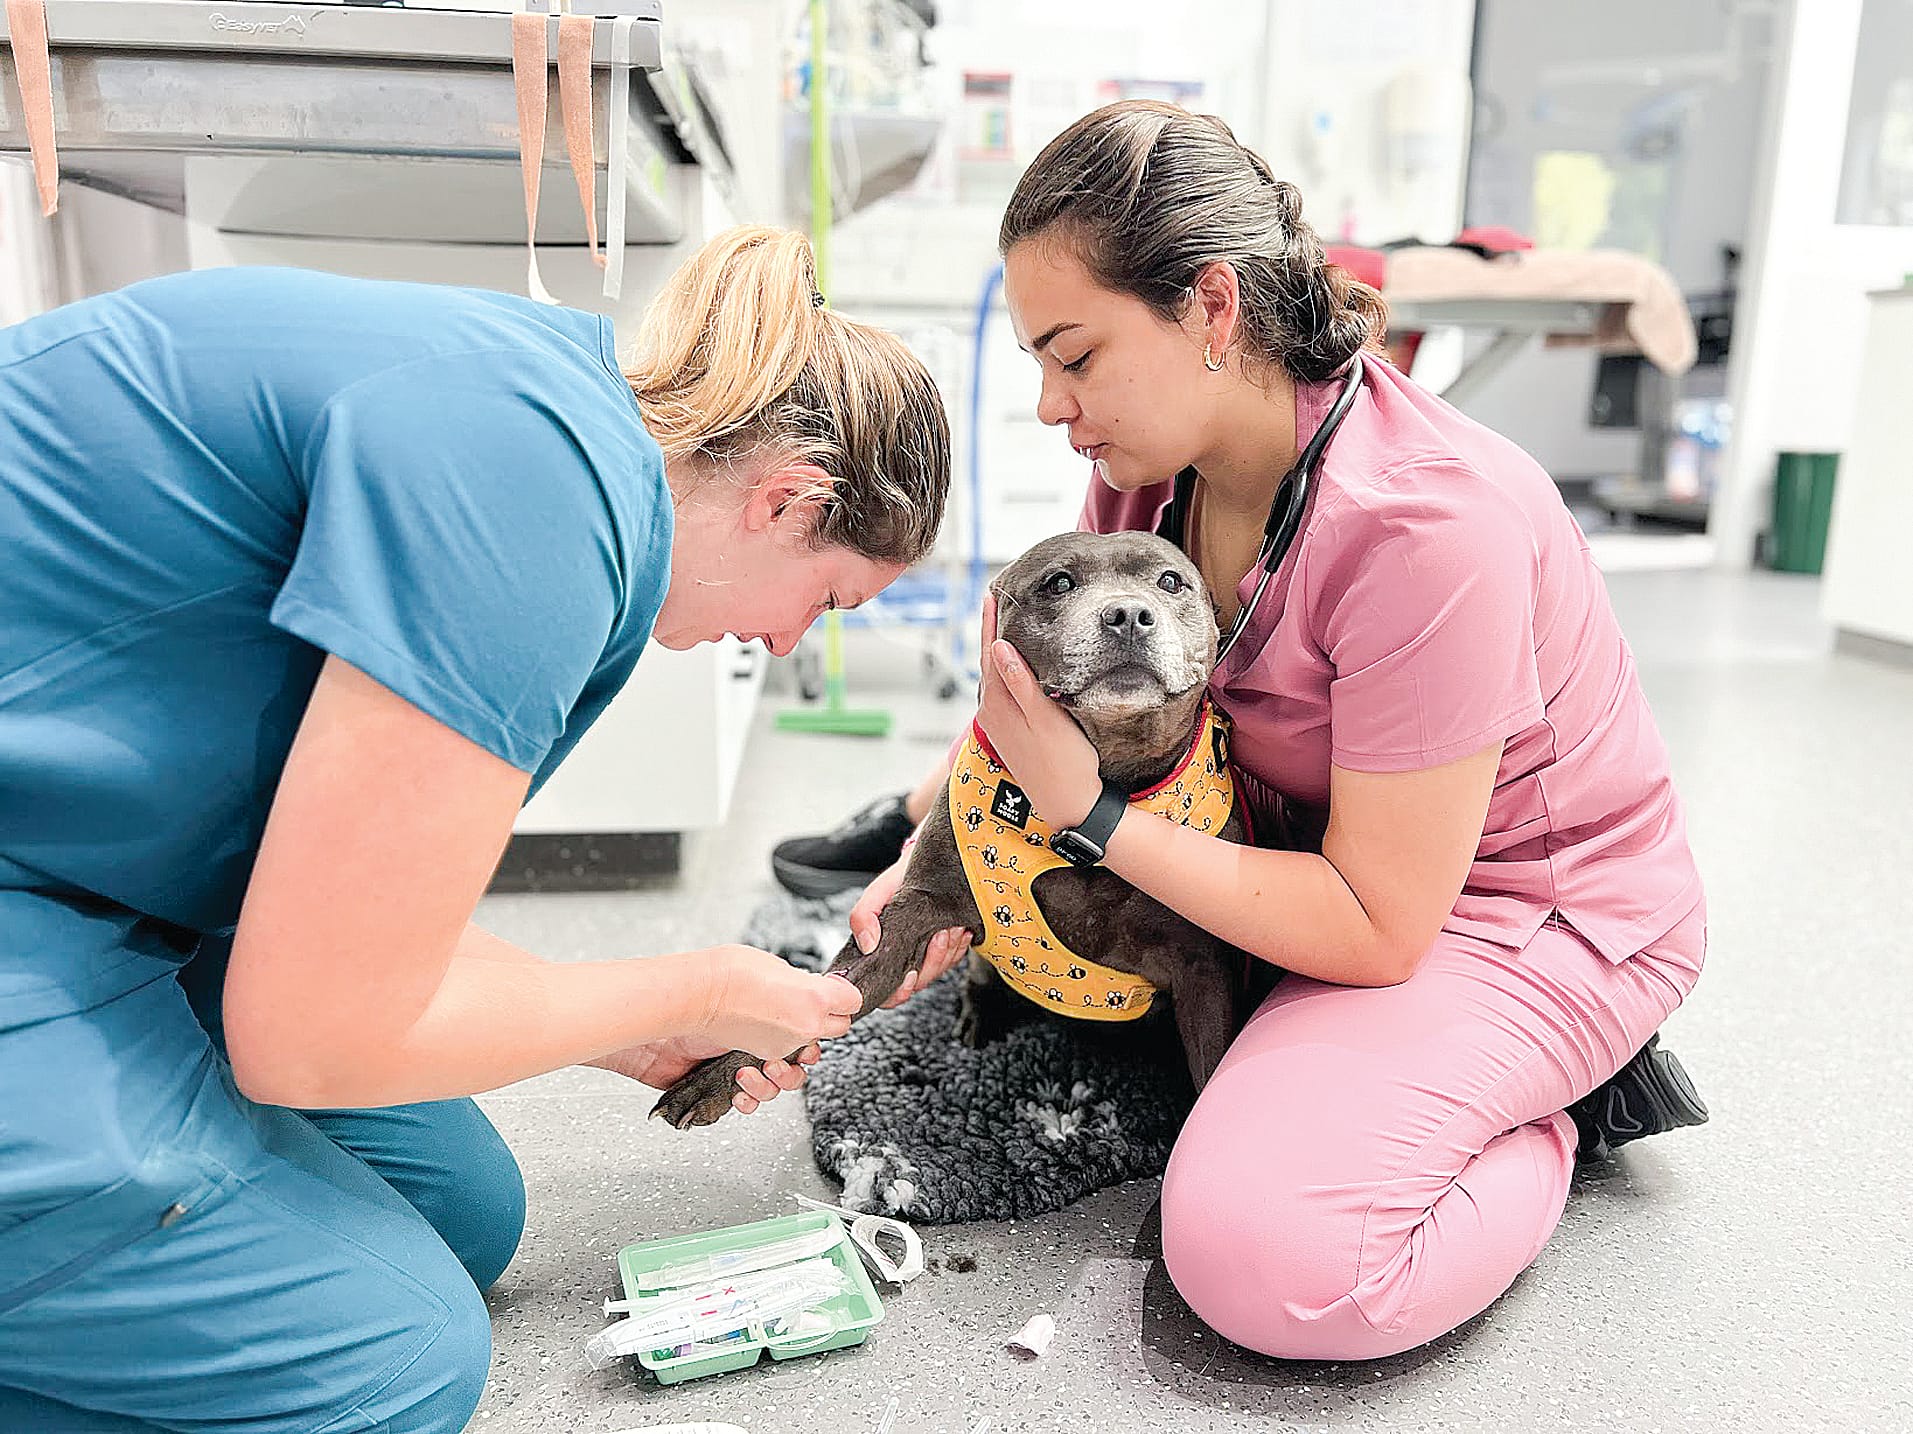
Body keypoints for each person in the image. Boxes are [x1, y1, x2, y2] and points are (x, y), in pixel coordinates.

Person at [779, 101, 1711, 1359]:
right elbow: (1051, 700)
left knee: (1264, 1260)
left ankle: (1533, 1108)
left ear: (1212, 309)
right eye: (1038, 367)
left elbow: (1381, 926)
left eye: (1075, 355)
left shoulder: (1424, 530)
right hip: (1284, 856)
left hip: (1513, 912)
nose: (1055, 405)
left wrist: (1089, 820)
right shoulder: (1145, 473)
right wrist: (943, 843)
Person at [0, 225, 949, 1431]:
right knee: (394, 1363)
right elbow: (311, 1039)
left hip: (81, 852)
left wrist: (623, 1022)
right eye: (825, 600)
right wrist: (680, 986)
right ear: (785, 499)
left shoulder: (552, 414)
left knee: (464, 1208)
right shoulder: (535, 498)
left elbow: (344, 914)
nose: (781, 645)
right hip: (37, 897)